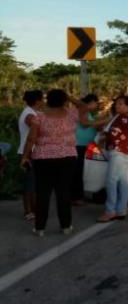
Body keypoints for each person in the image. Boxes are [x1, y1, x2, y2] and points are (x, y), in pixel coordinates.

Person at [21, 89, 80, 236]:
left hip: (43, 158)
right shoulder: (72, 115)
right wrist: (70, 98)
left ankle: (40, 228)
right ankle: (66, 226)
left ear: (48, 101)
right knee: (64, 192)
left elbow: (31, 139)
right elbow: (84, 106)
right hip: (67, 157)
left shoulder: (39, 117)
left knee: (43, 193)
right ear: (64, 100)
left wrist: (25, 156)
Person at [97, 95, 128, 223]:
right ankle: (121, 210)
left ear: (127, 105)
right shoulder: (123, 116)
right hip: (125, 151)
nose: (117, 106)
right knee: (122, 182)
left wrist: (104, 136)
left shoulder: (124, 118)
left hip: (118, 151)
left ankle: (110, 211)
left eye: (121, 104)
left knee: (111, 181)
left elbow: (113, 133)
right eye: (117, 104)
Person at [73, 94, 111, 205]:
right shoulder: (81, 110)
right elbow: (85, 124)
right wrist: (105, 120)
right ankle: (76, 197)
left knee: (80, 171)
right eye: (96, 103)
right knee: (78, 171)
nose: (96, 105)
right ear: (90, 102)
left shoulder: (87, 112)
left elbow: (92, 124)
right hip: (79, 145)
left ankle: (78, 195)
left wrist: (103, 120)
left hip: (84, 145)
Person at [17, 90, 43, 222]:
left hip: (32, 152)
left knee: (33, 183)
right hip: (28, 153)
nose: (43, 101)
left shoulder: (33, 112)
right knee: (29, 183)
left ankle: (33, 209)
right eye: (42, 99)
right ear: (37, 101)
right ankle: (28, 211)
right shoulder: (29, 114)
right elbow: (34, 124)